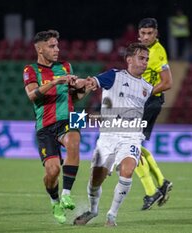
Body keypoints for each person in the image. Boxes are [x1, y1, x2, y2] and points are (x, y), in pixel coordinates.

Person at [73, 43, 153, 227]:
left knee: (127, 171)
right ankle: (93, 210)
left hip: (131, 137)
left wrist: (138, 144)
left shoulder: (147, 88)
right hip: (108, 137)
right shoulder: (114, 76)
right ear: (129, 59)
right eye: (142, 58)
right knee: (95, 180)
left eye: (147, 59)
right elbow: (94, 82)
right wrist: (87, 83)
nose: (145, 63)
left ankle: (112, 216)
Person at [23, 30, 88, 224]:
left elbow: (73, 98)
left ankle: (67, 193)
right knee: (52, 172)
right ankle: (55, 201)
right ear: (39, 48)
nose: (57, 49)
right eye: (52, 46)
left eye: (57, 45)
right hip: (44, 125)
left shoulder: (65, 67)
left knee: (74, 141)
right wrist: (55, 81)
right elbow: (32, 95)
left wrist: (84, 89)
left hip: (68, 117)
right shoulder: (30, 70)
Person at [136, 18, 173, 210]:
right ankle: (161, 182)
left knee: (129, 145)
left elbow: (167, 83)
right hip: (140, 102)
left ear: (156, 33)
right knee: (132, 144)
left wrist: (146, 93)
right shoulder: (138, 49)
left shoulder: (158, 53)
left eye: (150, 33)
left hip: (149, 102)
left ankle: (152, 191)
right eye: (143, 33)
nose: (146, 37)